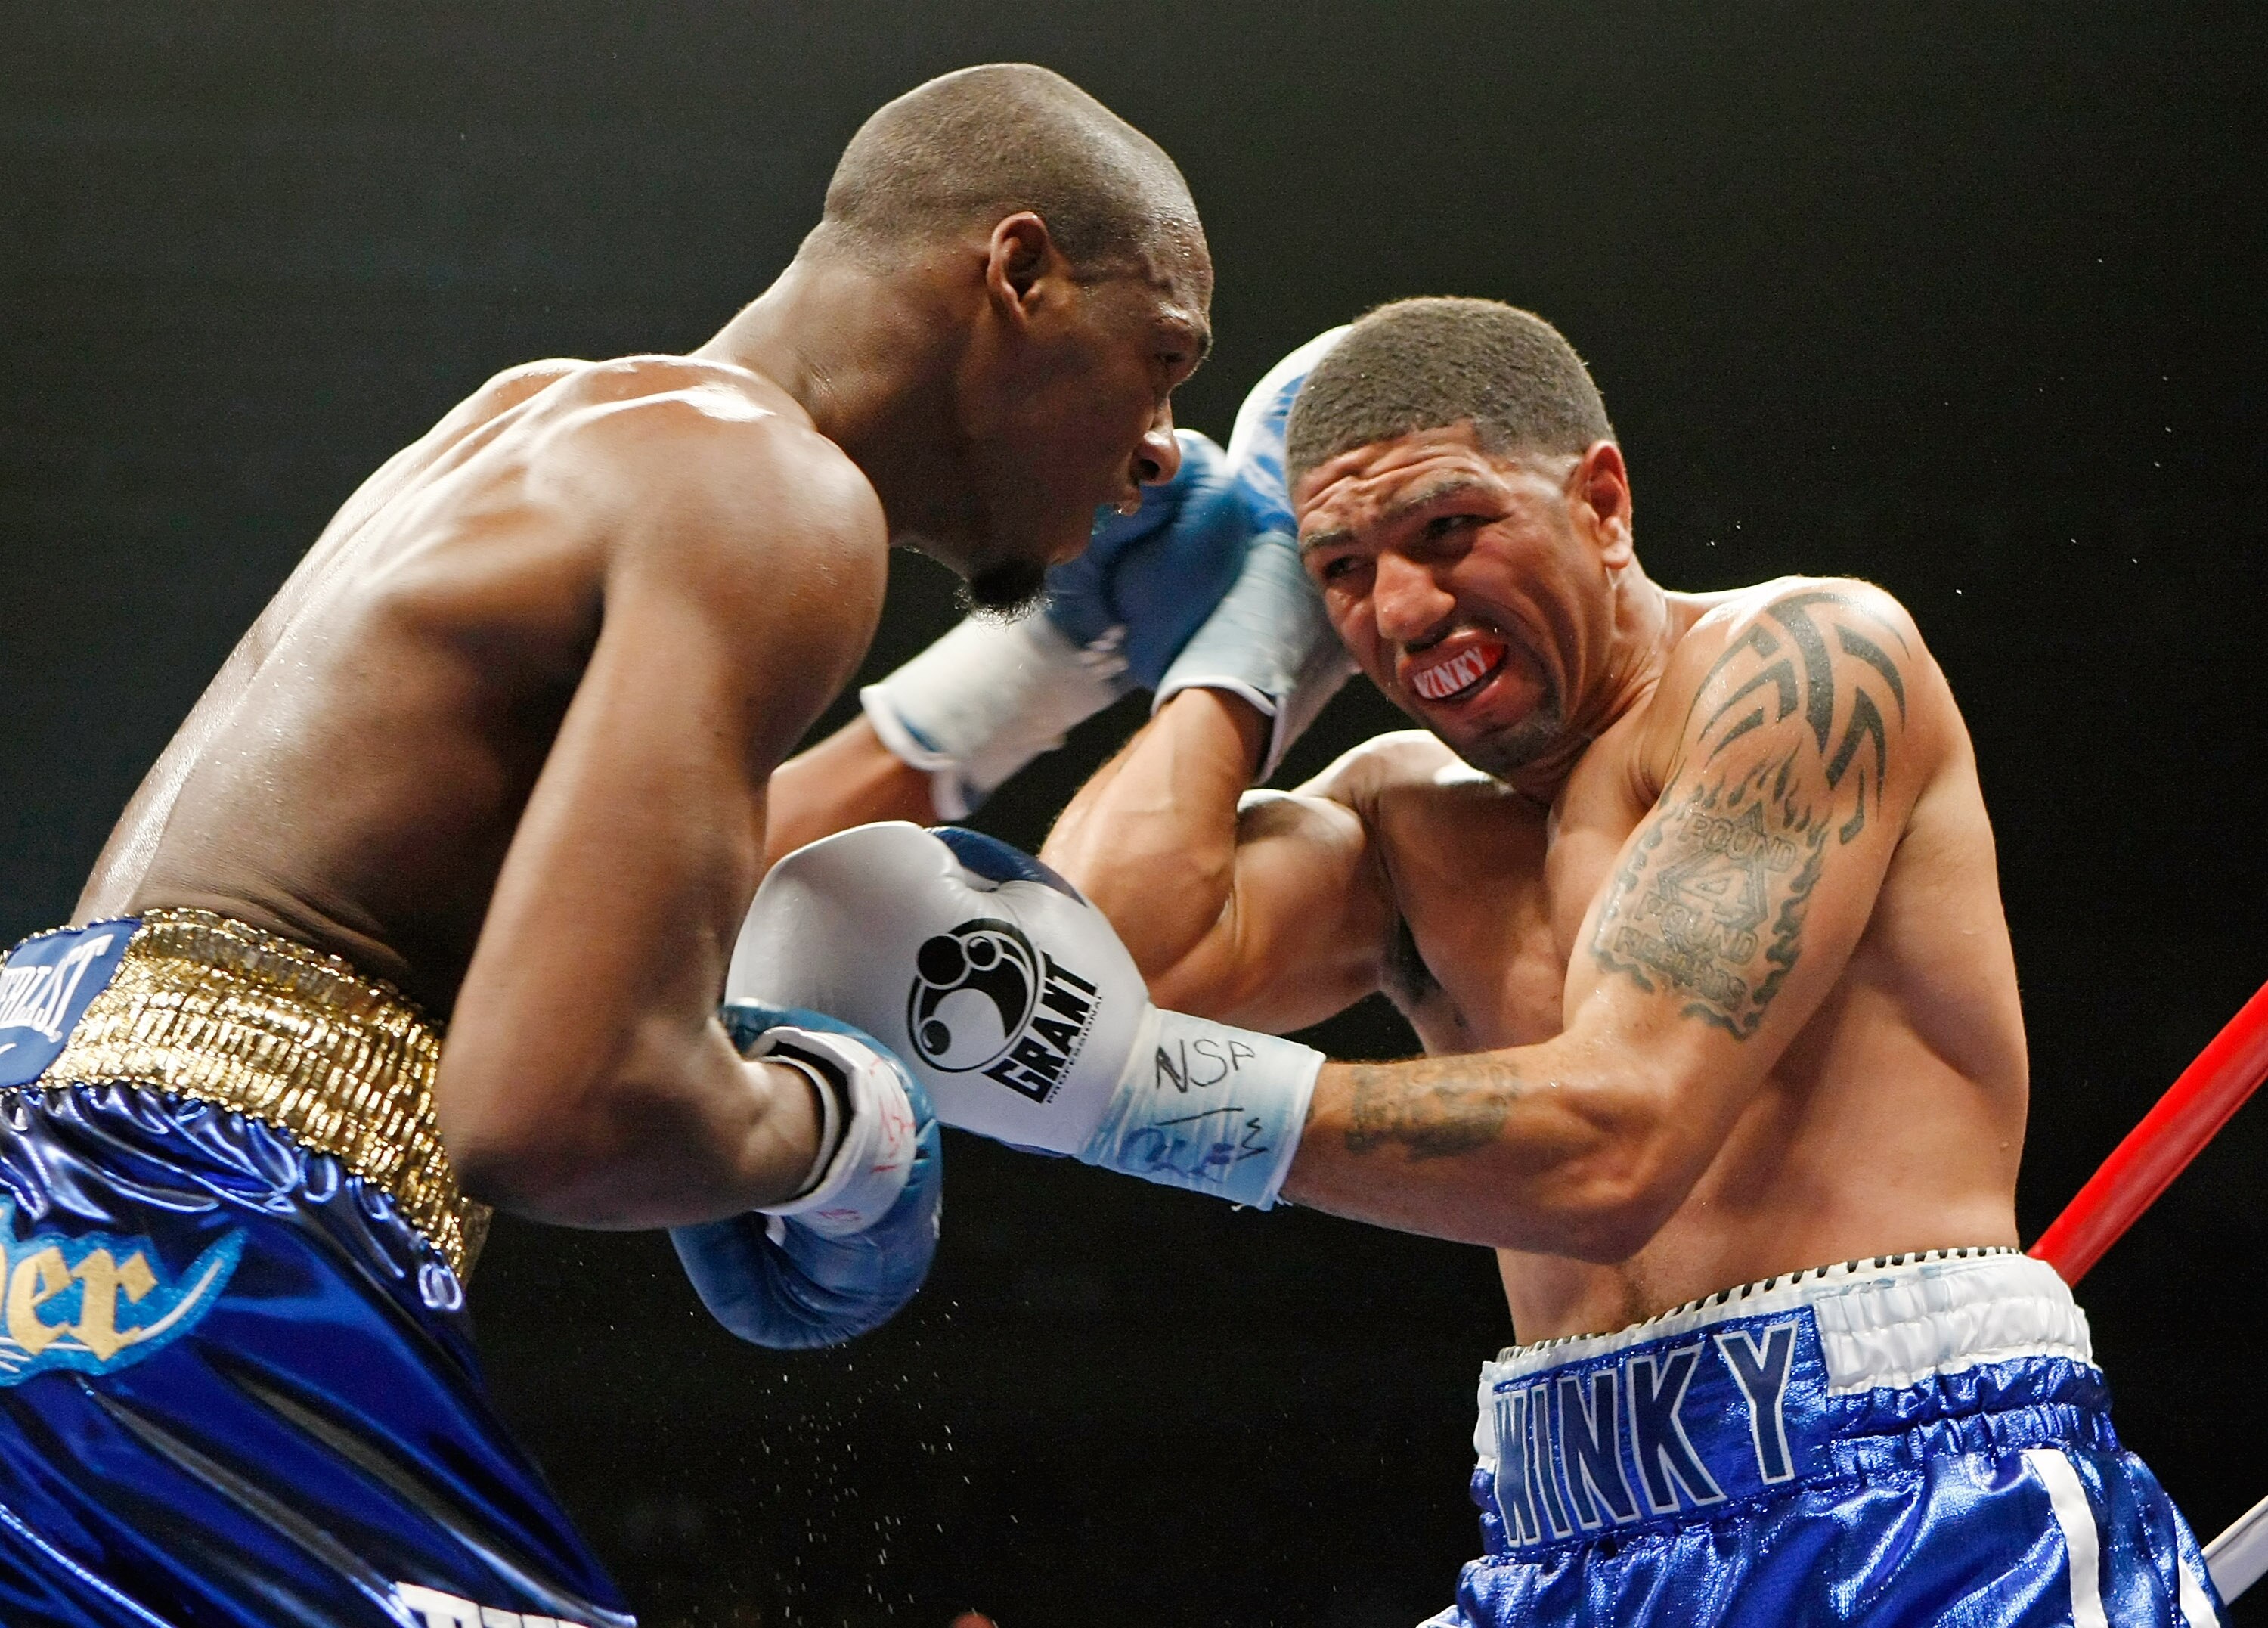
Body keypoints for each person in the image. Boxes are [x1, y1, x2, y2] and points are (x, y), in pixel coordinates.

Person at [742, 299, 2226, 1624]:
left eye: (1448, 532)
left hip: (1911, 1509)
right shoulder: (1402, 819)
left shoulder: (1806, 669)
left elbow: (1618, 1141)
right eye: (1346, 568)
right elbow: (1107, 977)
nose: (1400, 610)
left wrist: (1159, 1101)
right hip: (1556, 1536)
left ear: (1601, 499)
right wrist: (1250, 641)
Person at [0, 64, 1228, 1628]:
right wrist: (838, 1135)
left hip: (71, 1181)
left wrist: (1041, 683)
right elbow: (557, 1107)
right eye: (1166, 358)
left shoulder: (544, 417)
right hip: (176, 1256)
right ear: (1021, 272)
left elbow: (594, 919)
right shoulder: (782, 499)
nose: (1162, 448)